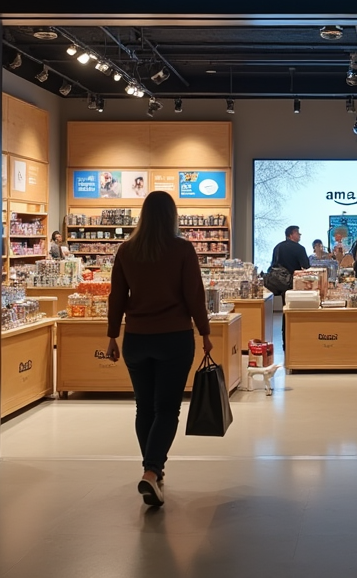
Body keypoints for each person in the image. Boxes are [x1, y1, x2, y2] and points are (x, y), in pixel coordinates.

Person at [105, 190, 213, 507]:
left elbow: (117, 297)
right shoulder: (182, 249)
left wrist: (112, 335)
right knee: (167, 409)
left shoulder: (126, 250)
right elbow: (194, 294)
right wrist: (205, 331)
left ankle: (153, 472)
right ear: (172, 216)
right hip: (174, 338)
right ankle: (151, 472)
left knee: (145, 408)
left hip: (136, 340)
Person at [271, 225, 310, 350]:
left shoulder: (278, 247)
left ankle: (285, 342)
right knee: (298, 311)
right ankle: (299, 339)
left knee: (286, 311)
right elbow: (306, 266)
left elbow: (273, 264)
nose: (299, 236)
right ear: (291, 234)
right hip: (295, 285)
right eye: (298, 233)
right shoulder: (299, 249)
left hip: (281, 284)